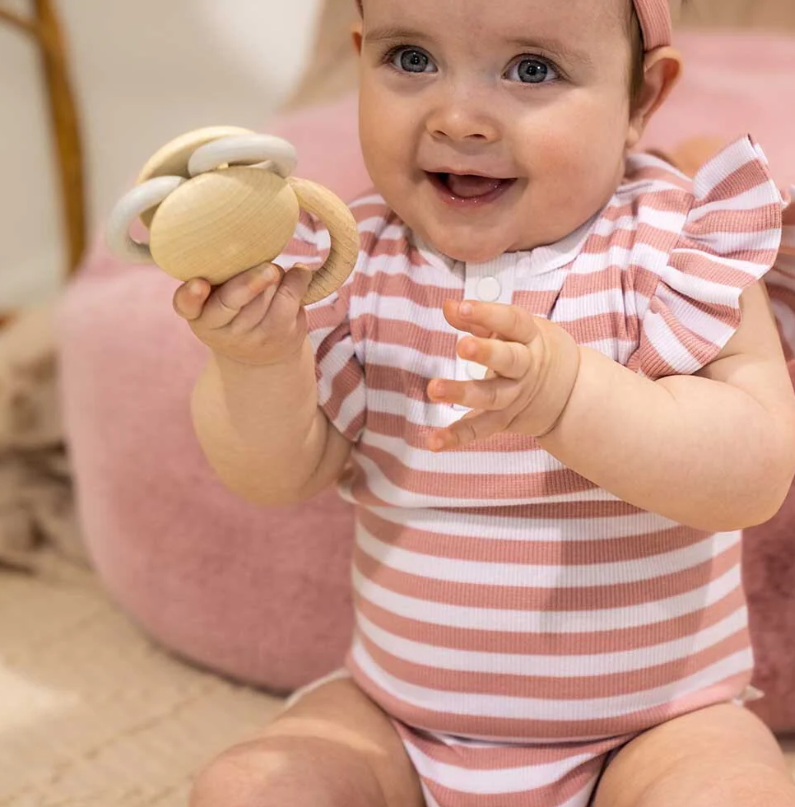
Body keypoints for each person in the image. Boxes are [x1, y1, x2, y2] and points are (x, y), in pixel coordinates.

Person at [175, 0, 795, 804]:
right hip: (399, 720)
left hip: (656, 725)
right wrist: (256, 363)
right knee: (247, 788)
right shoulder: (346, 263)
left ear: (640, 98)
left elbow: (751, 473)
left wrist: (568, 398)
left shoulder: (676, 249)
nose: (457, 117)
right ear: (358, 56)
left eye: (531, 69)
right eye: (410, 58)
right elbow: (279, 473)